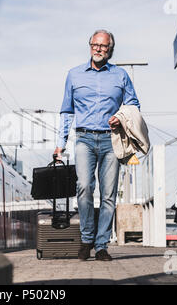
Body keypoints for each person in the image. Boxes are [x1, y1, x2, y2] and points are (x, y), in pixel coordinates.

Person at [53, 29, 140, 261]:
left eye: (103, 46)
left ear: (110, 49)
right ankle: (86, 239)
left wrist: (120, 117)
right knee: (84, 187)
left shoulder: (121, 76)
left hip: (111, 140)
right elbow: (66, 111)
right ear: (90, 45)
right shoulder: (74, 75)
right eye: (95, 44)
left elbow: (133, 104)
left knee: (109, 194)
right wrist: (60, 144)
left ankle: (101, 245)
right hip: (84, 139)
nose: (98, 49)